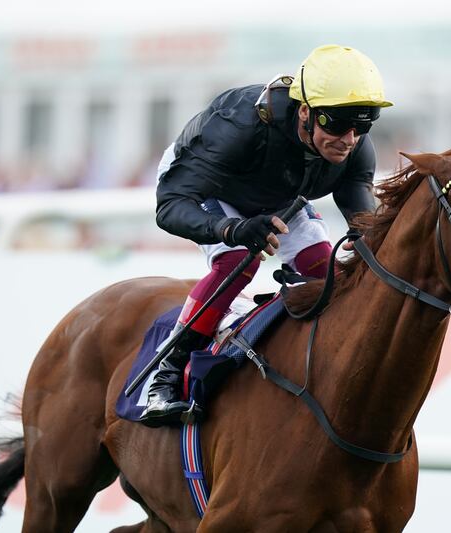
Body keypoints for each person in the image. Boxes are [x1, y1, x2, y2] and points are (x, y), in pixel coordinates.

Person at [139, 44, 393, 426]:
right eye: (337, 124)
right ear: (304, 112)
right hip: (209, 189)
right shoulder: (241, 125)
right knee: (236, 262)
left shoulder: (352, 140)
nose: (349, 138)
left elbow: (359, 207)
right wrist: (233, 228)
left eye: (363, 125)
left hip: (276, 193)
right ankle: (166, 375)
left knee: (325, 271)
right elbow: (171, 207)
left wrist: (375, 243)